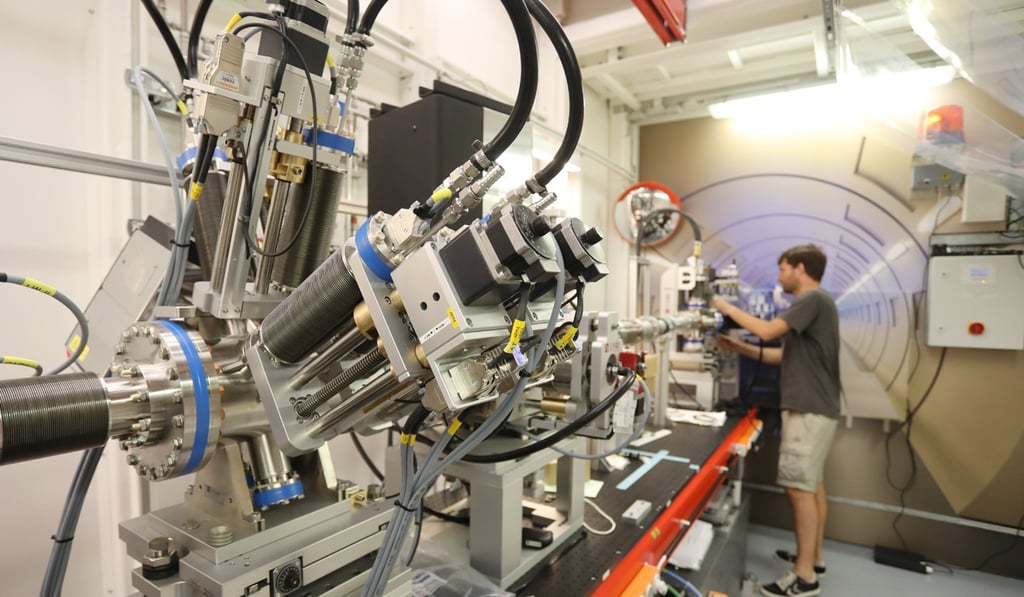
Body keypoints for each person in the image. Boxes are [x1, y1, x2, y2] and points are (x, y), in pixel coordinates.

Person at [713, 244, 840, 597]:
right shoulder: (818, 306)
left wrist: (725, 307)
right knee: (811, 486)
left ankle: (803, 577)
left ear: (800, 269)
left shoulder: (812, 299)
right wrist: (739, 348)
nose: (779, 276)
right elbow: (783, 355)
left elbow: (768, 332)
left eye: (782, 269)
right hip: (817, 408)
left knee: (799, 488)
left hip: (809, 408)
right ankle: (812, 558)